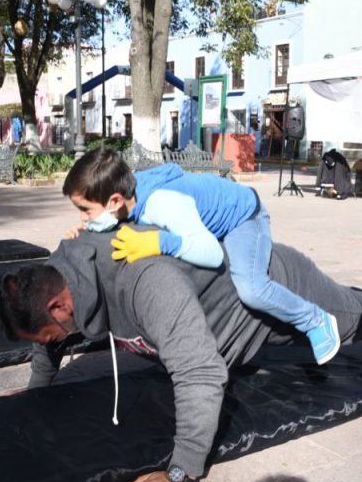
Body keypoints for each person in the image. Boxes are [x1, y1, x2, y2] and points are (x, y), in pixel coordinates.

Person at [0, 231, 362, 482]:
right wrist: (35, 391)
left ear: (60, 306)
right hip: (225, 320)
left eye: (51, 331)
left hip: (282, 286)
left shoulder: (145, 283)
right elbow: (46, 341)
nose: (51, 342)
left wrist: (179, 475)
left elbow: (201, 373)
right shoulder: (59, 278)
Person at [61, 148, 341, 366]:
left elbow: (211, 253)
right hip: (208, 214)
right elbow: (108, 223)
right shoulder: (125, 194)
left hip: (244, 216)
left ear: (115, 201)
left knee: (252, 288)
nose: (84, 217)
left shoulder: (163, 203)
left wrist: (160, 241)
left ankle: (315, 320)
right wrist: (84, 229)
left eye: (86, 211)